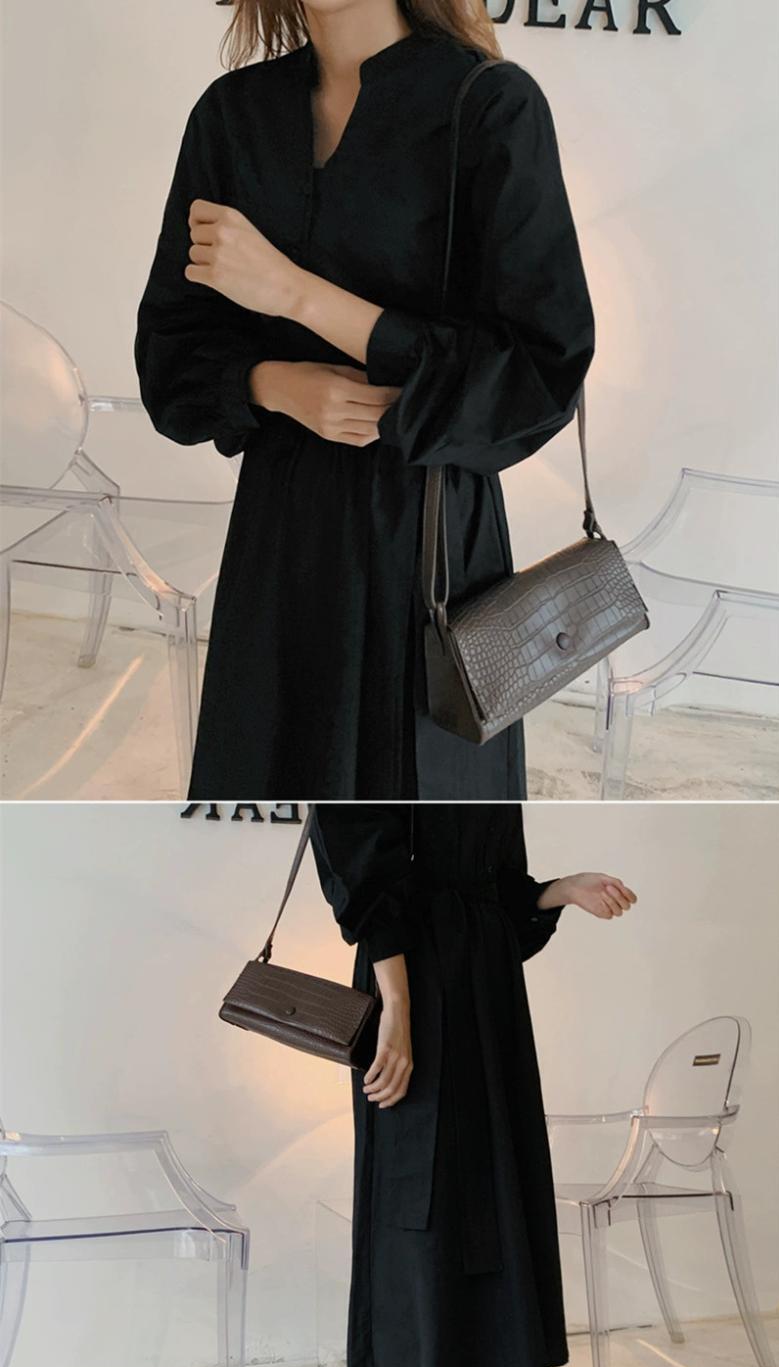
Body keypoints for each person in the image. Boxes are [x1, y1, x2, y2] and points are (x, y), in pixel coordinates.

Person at [135, 0, 595, 798]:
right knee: (259, 806)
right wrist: (269, 383)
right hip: (279, 538)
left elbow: (537, 373)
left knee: (429, 821)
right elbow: (170, 356)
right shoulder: (234, 116)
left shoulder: (488, 105)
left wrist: (298, 296)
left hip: (429, 539)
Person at [312, 804, 636, 1367]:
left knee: (490, 1210)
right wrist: (397, 1009)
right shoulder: (390, 746)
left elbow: (499, 895)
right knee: (416, 1229)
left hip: (488, 1000)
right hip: (409, 991)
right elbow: (359, 864)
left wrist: (559, 890)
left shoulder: (485, 744)